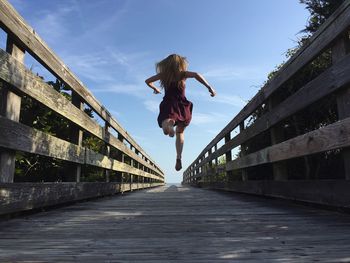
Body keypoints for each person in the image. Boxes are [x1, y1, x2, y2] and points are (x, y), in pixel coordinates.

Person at [145, 54, 216, 171]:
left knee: (165, 124)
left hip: (168, 103)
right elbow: (197, 75)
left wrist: (155, 88)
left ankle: (169, 125)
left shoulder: (164, 75)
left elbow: (147, 81)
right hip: (182, 105)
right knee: (181, 133)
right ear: (180, 63)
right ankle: (178, 157)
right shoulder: (183, 74)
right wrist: (209, 87)